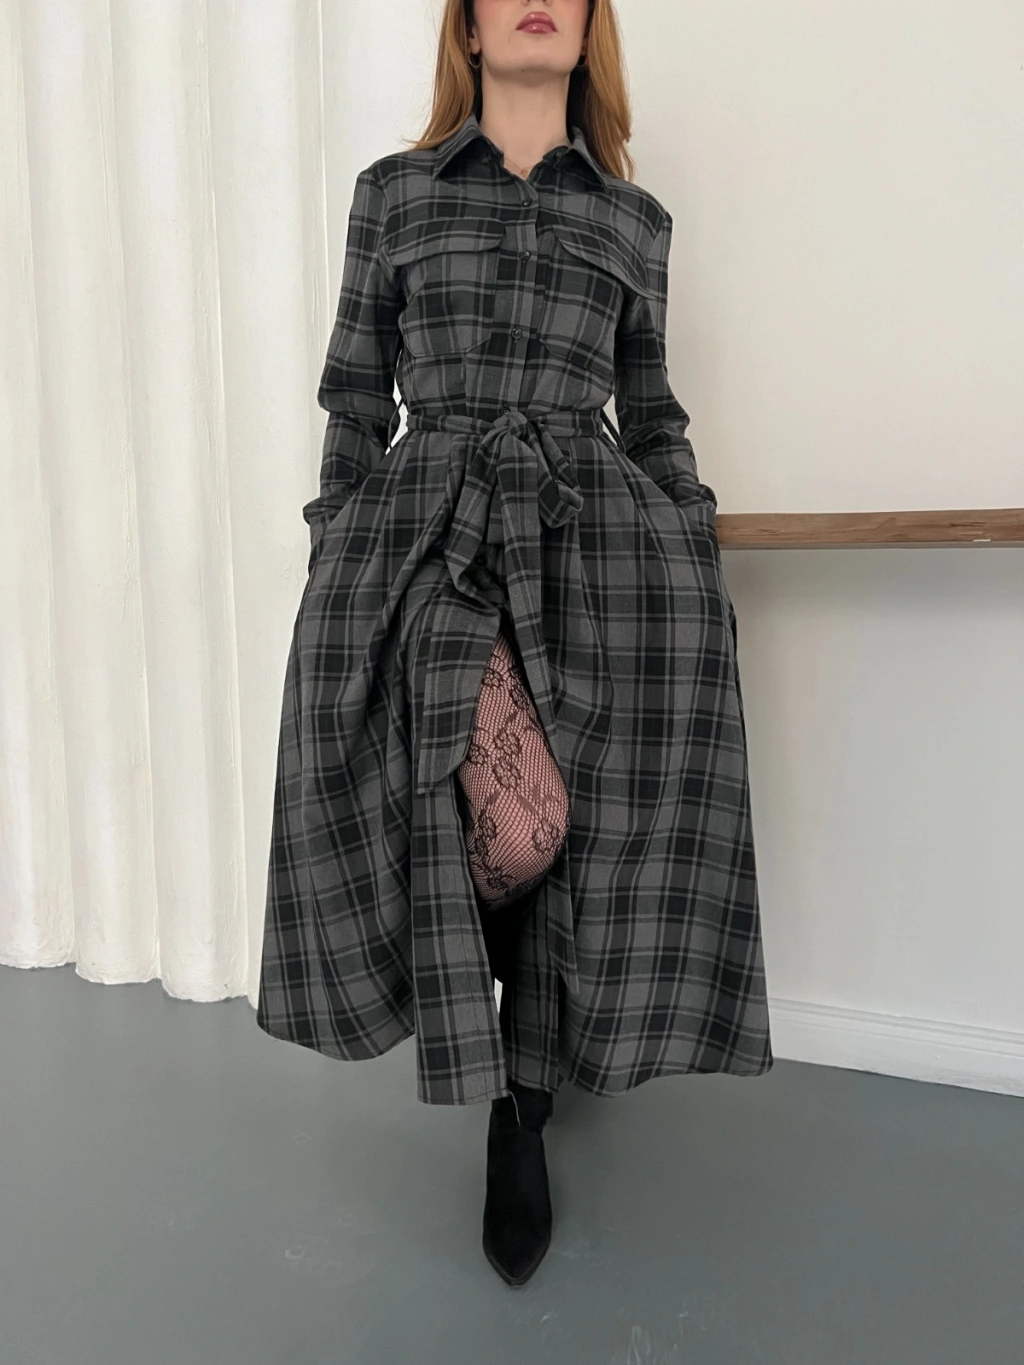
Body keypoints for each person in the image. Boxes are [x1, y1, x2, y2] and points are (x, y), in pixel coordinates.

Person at [256, 0, 773, 1288]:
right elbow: (352, 400)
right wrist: (335, 546)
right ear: (471, 31)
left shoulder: (634, 221)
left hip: (588, 544)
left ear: (589, 31)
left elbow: (651, 413)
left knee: (575, 821)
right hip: (424, 534)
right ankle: (502, 1064)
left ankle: (519, 1105)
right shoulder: (395, 195)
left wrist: (690, 539)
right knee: (501, 819)